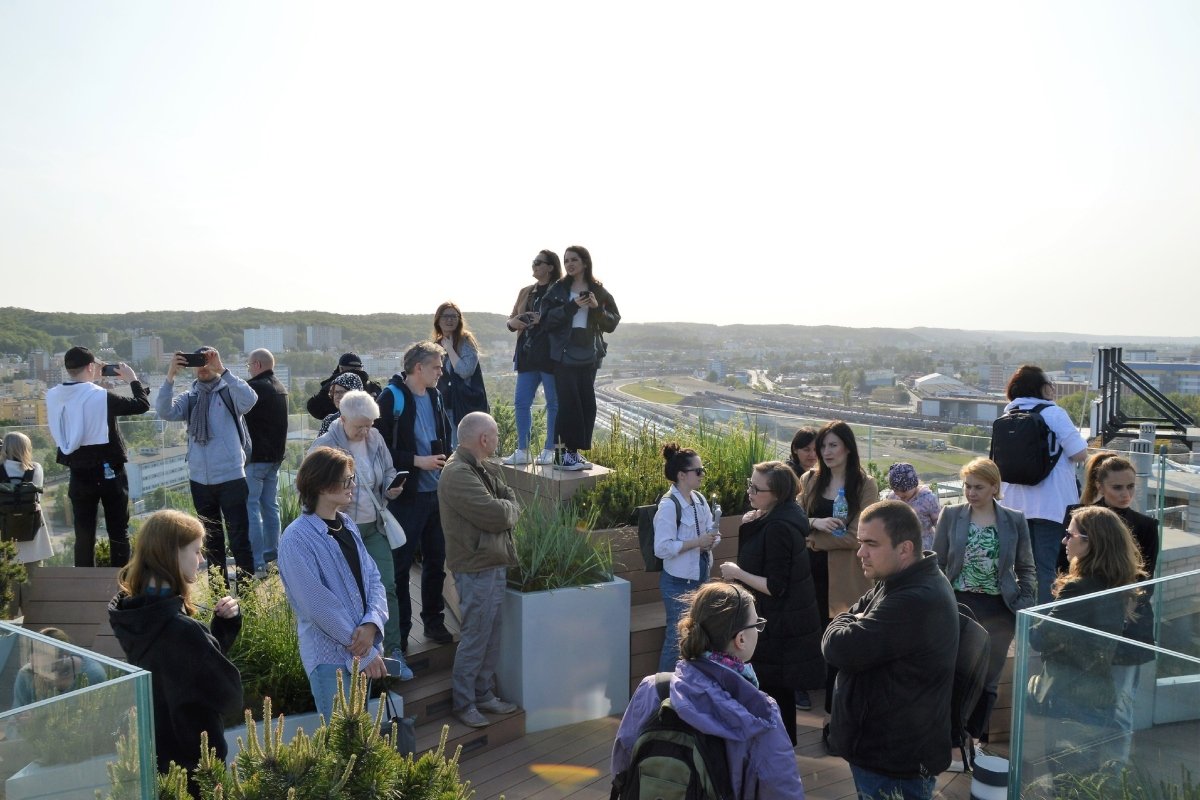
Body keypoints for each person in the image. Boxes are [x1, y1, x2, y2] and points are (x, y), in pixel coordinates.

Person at [612, 581, 806, 800]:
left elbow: (622, 764)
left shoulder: (654, 688)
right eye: (757, 624)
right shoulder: (760, 712)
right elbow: (782, 791)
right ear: (740, 639)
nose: (759, 630)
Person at [822, 501, 959, 800]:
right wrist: (849, 621)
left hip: (895, 759)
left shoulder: (914, 599)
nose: (861, 553)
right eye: (860, 543)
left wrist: (845, 622)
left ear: (905, 548)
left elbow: (839, 648)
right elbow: (850, 620)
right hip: (886, 750)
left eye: (871, 544)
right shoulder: (897, 580)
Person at [107, 509, 243, 788]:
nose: (202, 559)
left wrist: (216, 632)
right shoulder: (183, 631)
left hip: (157, 761)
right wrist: (214, 633)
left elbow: (181, 670)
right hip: (197, 766)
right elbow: (229, 696)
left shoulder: (133, 615)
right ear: (172, 554)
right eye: (196, 550)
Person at [1030, 505, 1144, 779]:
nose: (1064, 541)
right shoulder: (1115, 583)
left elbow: (1039, 637)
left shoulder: (1079, 588)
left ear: (1091, 543)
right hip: (1098, 696)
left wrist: (1037, 623)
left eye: (1070, 535)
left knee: (1064, 777)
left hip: (1069, 698)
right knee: (1085, 777)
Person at [277, 446, 390, 722]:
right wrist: (363, 648)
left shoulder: (347, 524)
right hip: (331, 662)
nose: (353, 485)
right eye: (346, 480)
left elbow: (373, 578)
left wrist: (372, 623)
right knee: (343, 750)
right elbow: (317, 605)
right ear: (322, 485)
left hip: (361, 650)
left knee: (359, 743)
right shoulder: (296, 539)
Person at [933, 457, 1036, 754]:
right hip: (959, 604)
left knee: (989, 681)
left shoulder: (1013, 519)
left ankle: (973, 738)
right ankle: (952, 741)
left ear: (995, 487)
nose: (970, 492)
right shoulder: (951, 515)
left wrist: (1024, 603)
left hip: (998, 607)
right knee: (955, 675)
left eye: (978, 487)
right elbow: (937, 562)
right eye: (967, 485)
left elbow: (1026, 567)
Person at [1061, 453, 1159, 757]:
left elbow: (1145, 585)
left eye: (1130, 486)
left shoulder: (1144, 525)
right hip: (1083, 629)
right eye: (1117, 487)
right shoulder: (1078, 518)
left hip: (1125, 631)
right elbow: (1064, 571)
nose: (1126, 494)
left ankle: (1113, 774)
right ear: (1100, 486)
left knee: (1119, 706)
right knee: (1076, 706)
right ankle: (1079, 769)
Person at [720, 460, 823, 745]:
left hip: (777, 628)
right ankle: (780, 755)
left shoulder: (779, 527)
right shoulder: (783, 517)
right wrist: (751, 523)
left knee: (774, 695)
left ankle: (778, 757)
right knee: (778, 696)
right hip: (782, 624)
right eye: (749, 484)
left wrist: (735, 573)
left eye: (756, 488)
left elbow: (775, 586)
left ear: (776, 494)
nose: (750, 492)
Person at [310, 390, 409, 676]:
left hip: (374, 525)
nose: (366, 431)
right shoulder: (325, 446)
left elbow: (388, 470)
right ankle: (361, 658)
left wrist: (391, 487)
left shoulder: (375, 439)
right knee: (353, 595)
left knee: (387, 587)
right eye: (360, 426)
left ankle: (394, 649)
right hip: (341, 530)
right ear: (342, 419)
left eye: (370, 425)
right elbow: (310, 487)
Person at [438, 412, 521, 728]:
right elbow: (497, 515)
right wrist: (508, 510)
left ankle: (483, 694)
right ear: (484, 439)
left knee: (490, 635)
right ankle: (465, 703)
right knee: (476, 636)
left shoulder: (478, 468)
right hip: (477, 567)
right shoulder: (459, 474)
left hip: (490, 563)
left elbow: (509, 498)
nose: (498, 440)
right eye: (496, 435)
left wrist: (507, 508)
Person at [376, 341, 455, 650]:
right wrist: (416, 461)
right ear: (418, 368)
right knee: (401, 566)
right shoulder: (391, 397)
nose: (440, 372)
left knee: (436, 562)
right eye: (436, 367)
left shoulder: (434, 396)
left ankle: (433, 623)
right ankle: (402, 633)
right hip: (407, 497)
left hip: (436, 492)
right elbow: (379, 449)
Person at [155, 347, 257, 582]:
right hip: (200, 480)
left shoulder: (228, 393)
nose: (202, 367)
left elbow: (250, 399)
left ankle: (246, 592)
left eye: (206, 361)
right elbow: (164, 411)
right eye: (198, 363)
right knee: (210, 541)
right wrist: (170, 376)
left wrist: (222, 369)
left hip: (231, 477)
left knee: (239, 538)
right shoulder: (190, 396)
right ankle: (218, 590)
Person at [44, 346, 150, 567]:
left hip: (78, 471)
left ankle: (83, 584)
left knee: (83, 532)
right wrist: (132, 379)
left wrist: (93, 380)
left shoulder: (53, 395)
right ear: (91, 366)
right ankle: (119, 583)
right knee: (117, 529)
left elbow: (79, 405)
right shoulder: (101, 397)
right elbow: (141, 405)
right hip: (109, 469)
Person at [995, 365, 1088, 604]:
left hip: (1013, 504)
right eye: (1049, 383)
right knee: (1046, 568)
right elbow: (1079, 453)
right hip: (1052, 504)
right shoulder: (1054, 413)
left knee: (1022, 568)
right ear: (1041, 387)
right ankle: (1042, 623)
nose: (1053, 388)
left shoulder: (1006, 416)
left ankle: (1019, 615)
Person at [539, 245, 620, 471]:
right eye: (566, 261)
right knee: (568, 404)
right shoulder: (558, 289)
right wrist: (571, 306)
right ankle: (561, 454)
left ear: (585, 262)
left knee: (586, 404)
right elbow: (546, 320)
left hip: (588, 353)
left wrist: (596, 309)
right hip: (564, 353)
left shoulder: (599, 291)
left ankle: (572, 453)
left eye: (574, 259)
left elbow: (612, 323)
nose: (569, 264)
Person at [801, 421, 879, 624]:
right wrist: (814, 521)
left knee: (843, 635)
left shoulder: (865, 485)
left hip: (847, 578)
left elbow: (856, 537)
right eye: (823, 446)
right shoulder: (809, 480)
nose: (827, 452)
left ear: (848, 448)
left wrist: (812, 541)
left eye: (833, 445)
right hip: (809, 575)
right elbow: (794, 518)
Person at [653, 443, 719, 673]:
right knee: (676, 636)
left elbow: (711, 532)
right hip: (678, 582)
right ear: (682, 475)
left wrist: (712, 538)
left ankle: (687, 686)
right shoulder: (669, 506)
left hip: (700, 576)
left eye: (703, 470)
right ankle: (662, 691)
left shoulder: (699, 499)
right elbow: (662, 548)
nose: (702, 475)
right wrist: (697, 543)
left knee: (696, 634)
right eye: (698, 471)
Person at [501, 250, 561, 467]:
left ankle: (550, 449)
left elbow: (564, 320)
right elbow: (510, 319)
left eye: (538, 263)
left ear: (550, 267)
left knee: (553, 404)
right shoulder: (526, 291)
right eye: (533, 262)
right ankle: (523, 449)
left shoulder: (561, 290)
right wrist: (513, 323)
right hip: (527, 354)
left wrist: (542, 320)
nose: (534, 266)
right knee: (521, 402)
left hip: (551, 355)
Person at [243, 348, 288, 576]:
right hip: (275, 458)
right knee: (271, 507)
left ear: (257, 365)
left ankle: (257, 561)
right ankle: (275, 555)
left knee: (251, 507)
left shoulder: (255, 389)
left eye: (249, 365)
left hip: (257, 459)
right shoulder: (280, 388)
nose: (249, 369)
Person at [10, 627, 108, 710]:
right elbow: (12, 721)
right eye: (35, 668)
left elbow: (97, 720)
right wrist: (21, 723)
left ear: (65, 655)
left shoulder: (92, 675)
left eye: (46, 668)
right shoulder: (27, 674)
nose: (40, 673)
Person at [433, 302, 488, 436]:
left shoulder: (466, 342)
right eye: (445, 316)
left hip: (464, 405)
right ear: (438, 320)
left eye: (454, 316)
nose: (449, 320)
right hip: (445, 404)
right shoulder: (435, 345)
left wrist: (450, 349)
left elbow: (465, 371)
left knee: (461, 444)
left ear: (459, 319)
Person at [1, 432, 54, 565]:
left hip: (4, 530)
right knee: (34, 579)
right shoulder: (36, 468)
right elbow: (38, 497)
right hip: (32, 529)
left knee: (8, 580)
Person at [306, 352, 382, 422]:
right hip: (367, 431)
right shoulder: (373, 387)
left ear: (341, 368)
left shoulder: (333, 385)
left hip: (338, 432)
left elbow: (314, 408)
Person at [884, 462, 941, 552]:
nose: (900, 494)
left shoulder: (928, 498)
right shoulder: (893, 498)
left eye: (904, 490)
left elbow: (938, 523)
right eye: (895, 490)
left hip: (924, 544)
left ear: (914, 485)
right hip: (900, 544)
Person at [317, 371, 364, 436]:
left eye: (342, 392)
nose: (338, 396)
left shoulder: (367, 420)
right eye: (335, 392)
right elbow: (318, 445)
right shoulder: (329, 420)